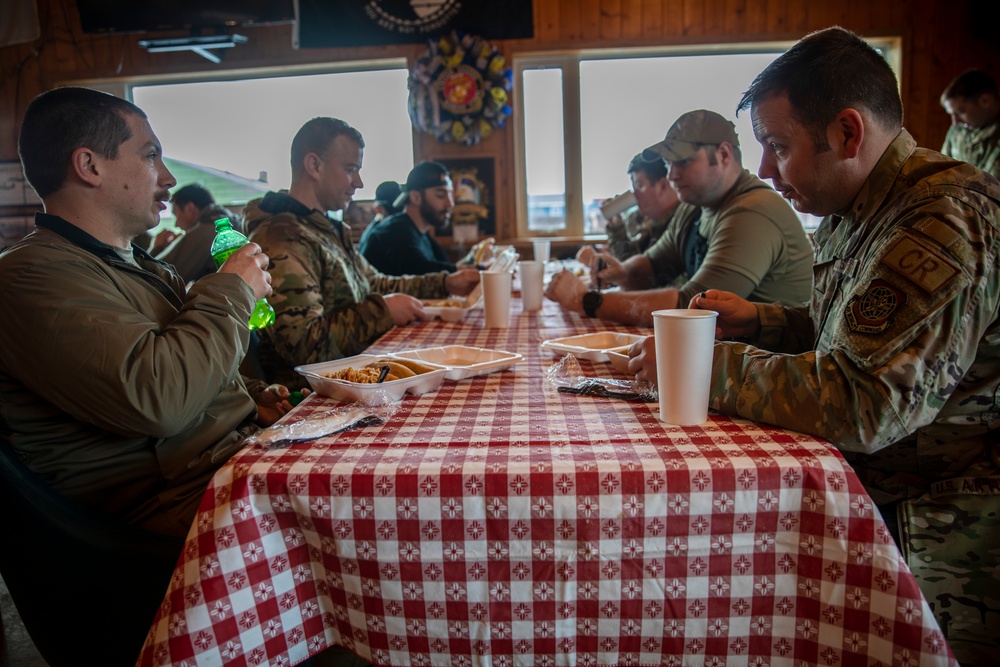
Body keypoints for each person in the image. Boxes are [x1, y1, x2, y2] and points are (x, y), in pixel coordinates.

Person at [629, 28, 1000, 665]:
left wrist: (701, 365)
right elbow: (854, 334)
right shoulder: (862, 206)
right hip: (878, 497)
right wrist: (764, 323)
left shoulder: (940, 220)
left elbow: (865, 403)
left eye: (778, 146)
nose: (765, 169)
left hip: (943, 532)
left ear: (848, 133)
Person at [0, 87, 298, 540]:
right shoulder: (28, 277)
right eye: (151, 156)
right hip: (161, 514)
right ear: (89, 166)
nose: (168, 178)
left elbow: (186, 366)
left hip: (219, 465)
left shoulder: (136, 264)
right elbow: (160, 399)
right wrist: (233, 287)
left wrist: (253, 400)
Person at [245, 119, 480, 386]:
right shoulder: (282, 238)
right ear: (314, 165)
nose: (359, 182)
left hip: (356, 376)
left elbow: (375, 283)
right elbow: (303, 347)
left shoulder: (323, 228)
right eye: (350, 170)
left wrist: (445, 283)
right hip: (314, 395)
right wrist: (383, 311)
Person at [546, 109, 814, 326]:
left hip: (769, 364)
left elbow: (693, 308)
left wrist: (587, 300)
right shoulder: (695, 205)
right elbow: (653, 264)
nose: (672, 175)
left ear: (723, 155)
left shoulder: (752, 212)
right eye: (668, 164)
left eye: (683, 162)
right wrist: (622, 272)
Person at [360, 161, 472, 275]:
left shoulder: (422, 232)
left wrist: (472, 260)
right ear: (416, 197)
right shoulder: (393, 230)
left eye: (450, 195)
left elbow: (443, 267)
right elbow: (421, 272)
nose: (450, 203)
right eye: (441, 195)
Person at [578, 152, 689, 266]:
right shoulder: (649, 221)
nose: (635, 195)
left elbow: (643, 273)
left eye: (639, 186)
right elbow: (632, 264)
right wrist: (617, 228)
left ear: (663, 186)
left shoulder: (684, 225)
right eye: (633, 187)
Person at [156, 183, 241, 284]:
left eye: (176, 214)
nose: (176, 224)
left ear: (190, 208)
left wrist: (157, 248)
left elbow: (160, 279)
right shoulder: (231, 223)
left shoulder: (204, 231)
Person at [939, 68, 1000, 179]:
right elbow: (942, 168)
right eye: (952, 114)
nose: (955, 121)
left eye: (961, 112)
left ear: (985, 100)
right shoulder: (959, 128)